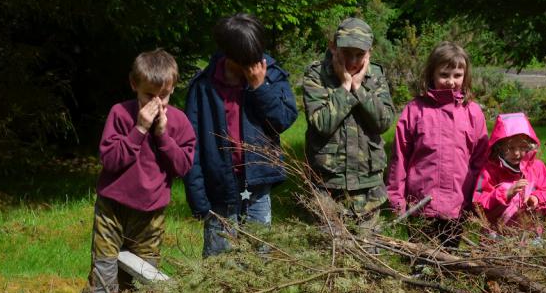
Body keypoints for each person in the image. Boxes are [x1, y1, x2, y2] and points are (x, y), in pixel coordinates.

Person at [86, 48, 196, 293]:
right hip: (112, 208)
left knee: (143, 277)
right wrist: (139, 129)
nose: (157, 103)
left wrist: (162, 136)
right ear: (134, 84)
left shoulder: (179, 122)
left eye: (164, 96)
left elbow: (182, 167)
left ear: (173, 89)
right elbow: (111, 160)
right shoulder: (120, 114)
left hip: (151, 214)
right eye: (149, 95)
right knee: (104, 268)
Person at [183, 13, 298, 256]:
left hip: (256, 185)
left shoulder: (271, 74)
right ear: (228, 54)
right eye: (246, 60)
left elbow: (284, 120)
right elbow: (190, 146)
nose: (254, 63)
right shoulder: (203, 87)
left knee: (258, 261)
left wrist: (259, 88)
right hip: (220, 189)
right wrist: (197, 197)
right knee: (219, 265)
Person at [386, 41, 489, 246]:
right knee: (420, 262)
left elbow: (480, 161)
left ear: (465, 76)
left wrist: (475, 199)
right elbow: (400, 157)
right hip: (421, 204)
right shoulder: (415, 110)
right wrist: (396, 198)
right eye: (444, 75)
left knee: (448, 263)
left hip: (458, 204)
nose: (451, 81)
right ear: (431, 74)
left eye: (457, 75)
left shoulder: (473, 112)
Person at [303, 17, 395, 229]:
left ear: (369, 52)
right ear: (333, 47)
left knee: (369, 253)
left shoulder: (376, 76)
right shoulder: (316, 75)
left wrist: (359, 88)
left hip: (368, 184)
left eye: (360, 54)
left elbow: (384, 122)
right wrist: (345, 86)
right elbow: (322, 123)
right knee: (330, 254)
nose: (353, 61)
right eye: (346, 53)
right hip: (328, 185)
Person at [473, 112, 546, 231]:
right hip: (496, 237)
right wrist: (505, 194)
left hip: (528, 237)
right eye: (511, 148)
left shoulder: (537, 168)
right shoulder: (490, 170)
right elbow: (479, 202)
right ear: (499, 147)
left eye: (522, 147)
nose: (517, 153)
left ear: (529, 146)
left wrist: (537, 199)